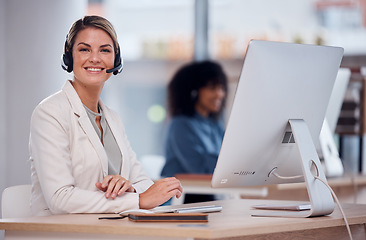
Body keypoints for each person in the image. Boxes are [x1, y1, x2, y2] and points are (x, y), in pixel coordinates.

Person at [29, 15, 182, 216]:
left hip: (108, 229)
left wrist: (128, 188)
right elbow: (60, 198)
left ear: (116, 59)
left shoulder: (112, 118)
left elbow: (142, 181)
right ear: (69, 57)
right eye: (84, 49)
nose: (95, 58)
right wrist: (138, 199)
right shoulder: (50, 113)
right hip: (63, 233)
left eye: (105, 50)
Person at [160, 61, 228, 203]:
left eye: (221, 88)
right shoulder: (180, 125)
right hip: (181, 198)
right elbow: (200, 169)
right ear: (194, 91)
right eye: (212, 88)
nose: (220, 94)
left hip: (207, 195)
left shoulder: (215, 125)